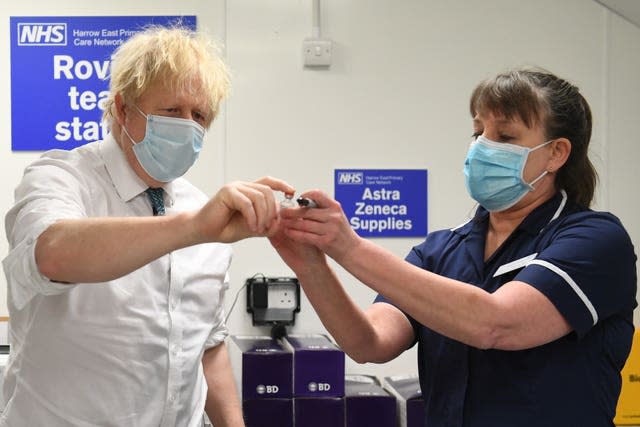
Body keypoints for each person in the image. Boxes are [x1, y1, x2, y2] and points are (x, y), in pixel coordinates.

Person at [271, 69, 637, 426]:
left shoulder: (594, 240)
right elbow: (369, 342)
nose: (482, 148)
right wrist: (310, 262)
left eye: (505, 136)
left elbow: (497, 324)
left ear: (557, 153)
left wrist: (348, 246)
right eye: (479, 133)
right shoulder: (442, 249)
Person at [2, 26, 293, 427]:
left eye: (200, 116)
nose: (188, 126)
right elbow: (51, 253)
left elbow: (206, 345)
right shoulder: (61, 178)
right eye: (172, 111)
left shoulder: (201, 212)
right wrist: (193, 228)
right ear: (122, 109)